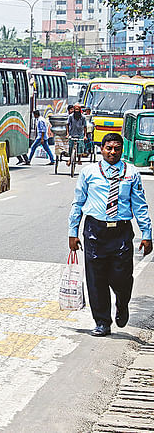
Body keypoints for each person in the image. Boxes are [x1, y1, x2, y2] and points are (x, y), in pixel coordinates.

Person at [69, 132, 152, 336]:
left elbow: (140, 206)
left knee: (122, 277)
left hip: (121, 232)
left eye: (117, 148)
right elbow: (78, 203)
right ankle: (102, 322)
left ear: (122, 150)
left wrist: (146, 233)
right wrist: (73, 232)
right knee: (96, 279)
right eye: (109, 148)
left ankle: (122, 304)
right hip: (95, 231)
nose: (112, 152)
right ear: (101, 149)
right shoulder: (89, 172)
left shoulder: (131, 173)